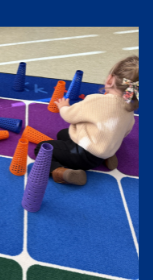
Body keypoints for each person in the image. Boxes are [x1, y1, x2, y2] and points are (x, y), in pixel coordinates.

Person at [47, 55, 139, 185]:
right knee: (62, 134)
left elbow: (69, 116)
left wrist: (63, 107)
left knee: (42, 149)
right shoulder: (129, 108)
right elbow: (126, 132)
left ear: (110, 80)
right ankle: (106, 157)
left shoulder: (96, 100)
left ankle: (61, 172)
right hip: (104, 151)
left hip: (81, 154)